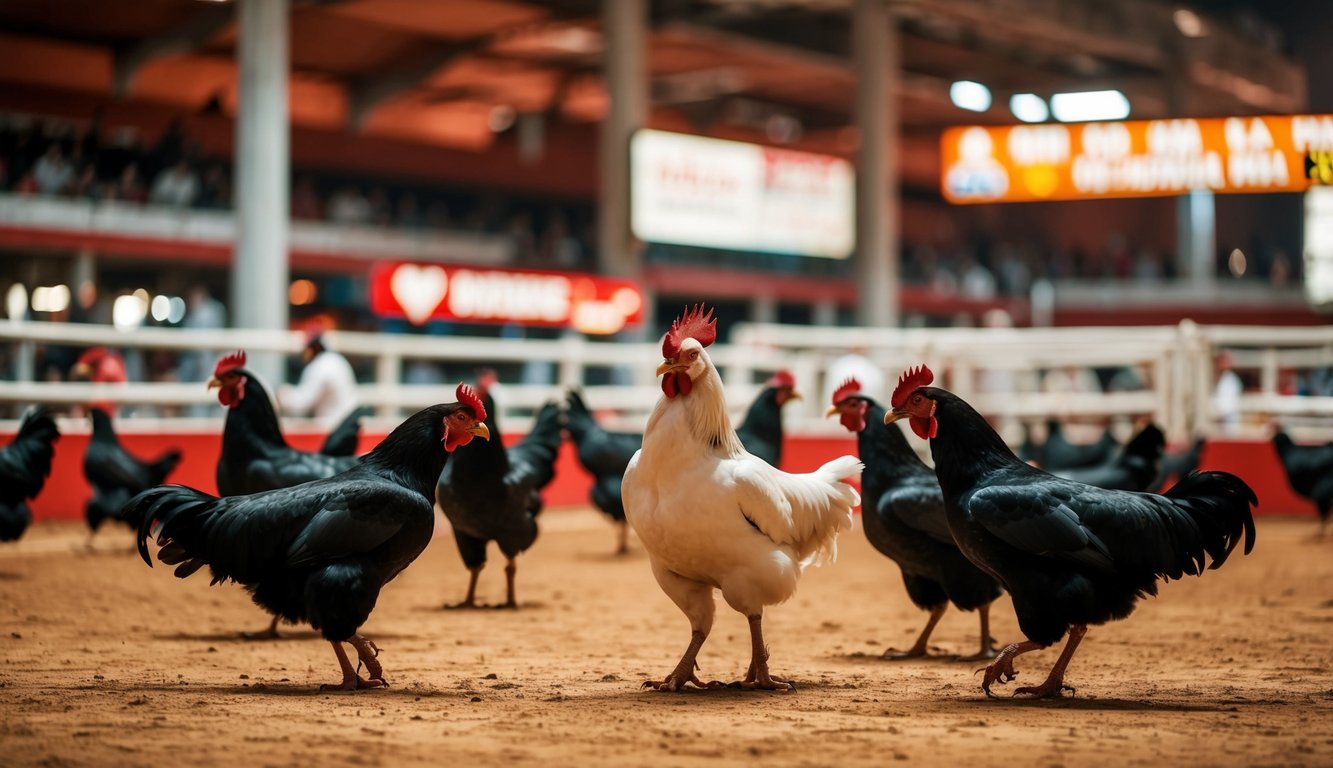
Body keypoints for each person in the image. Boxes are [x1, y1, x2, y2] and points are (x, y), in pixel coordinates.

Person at [279, 330, 359, 429]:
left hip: (333, 428)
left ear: (313, 348)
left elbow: (302, 403)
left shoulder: (319, 366)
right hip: (347, 425)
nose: (303, 354)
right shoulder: (337, 360)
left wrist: (282, 397)